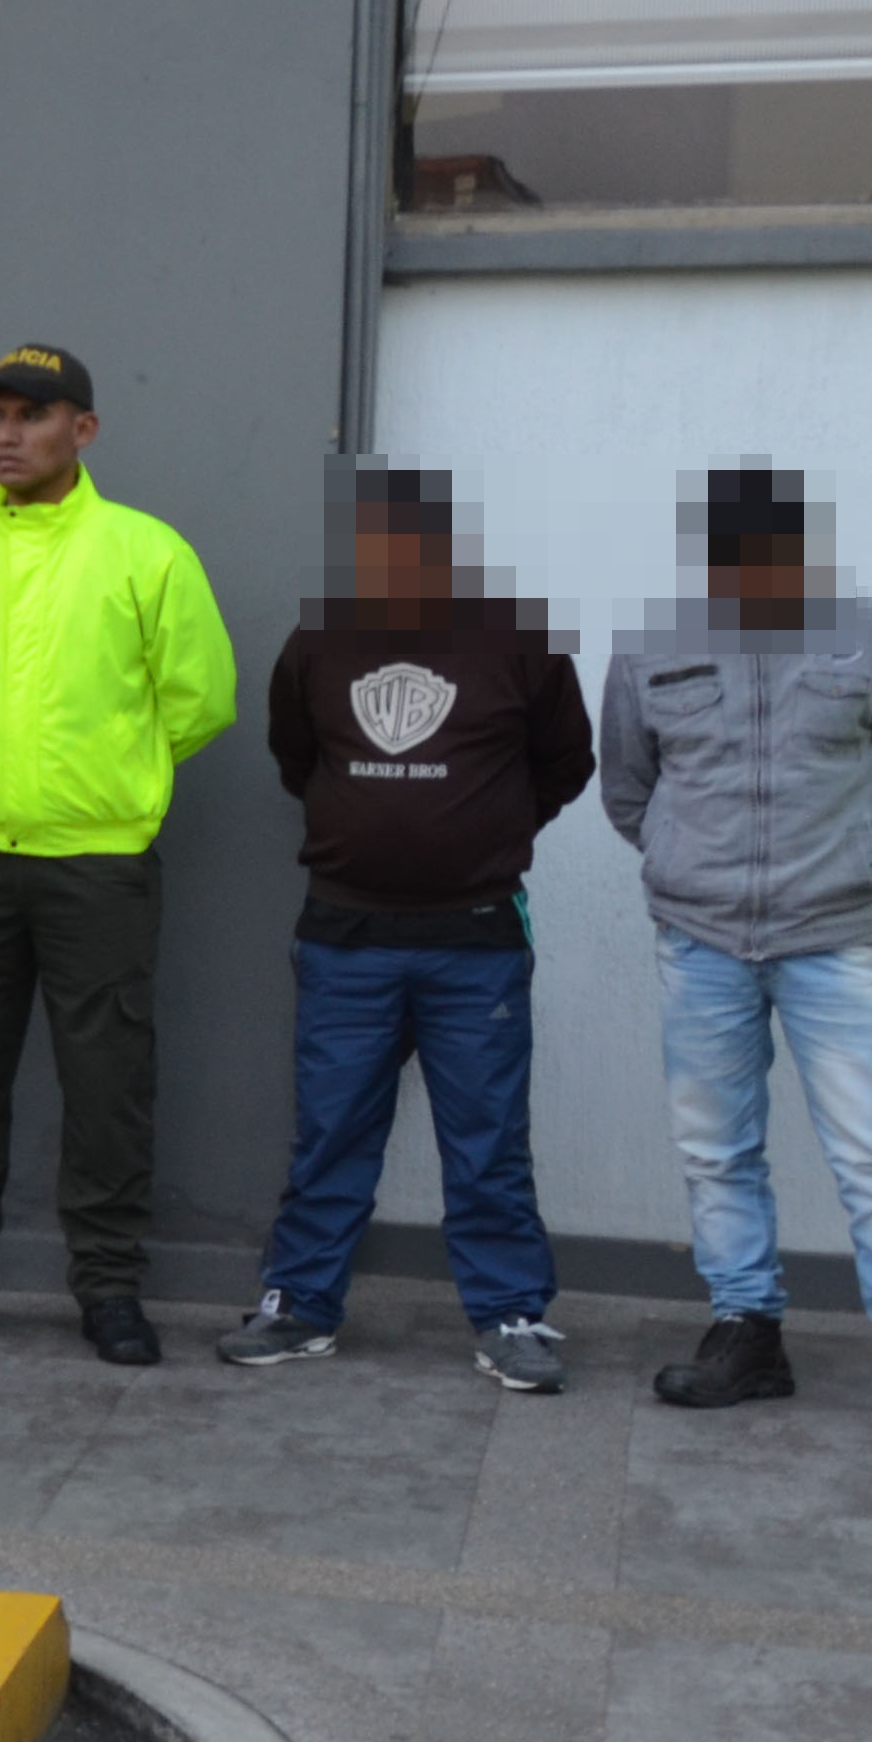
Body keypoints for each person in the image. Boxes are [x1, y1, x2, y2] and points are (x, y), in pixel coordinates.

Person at [598, 467, 872, 1449]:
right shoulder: (649, 642)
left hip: (832, 941)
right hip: (701, 939)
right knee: (715, 1150)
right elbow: (627, 786)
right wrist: (691, 868)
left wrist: (867, 875)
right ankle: (745, 1331)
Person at [0, 344, 236, 1367]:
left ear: (81, 430)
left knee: (106, 1084)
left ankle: (107, 1287)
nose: (7, 434)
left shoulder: (145, 553)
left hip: (96, 865)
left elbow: (198, 703)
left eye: (31, 416)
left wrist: (105, 780)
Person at [218, 466, 593, 1389]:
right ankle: (300, 1304)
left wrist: (482, 834)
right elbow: (295, 757)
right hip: (347, 938)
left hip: (476, 943)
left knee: (488, 1140)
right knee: (332, 1132)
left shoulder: (521, 637)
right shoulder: (319, 639)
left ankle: (512, 1315)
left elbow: (565, 763)